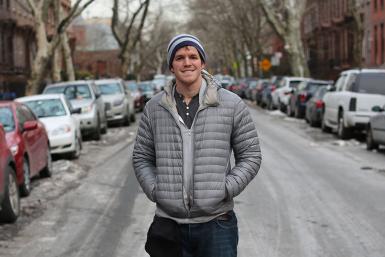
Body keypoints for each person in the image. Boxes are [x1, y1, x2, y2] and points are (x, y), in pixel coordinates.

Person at [133, 34, 262, 257]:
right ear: (171, 66)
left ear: (202, 63)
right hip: (168, 225)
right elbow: (141, 157)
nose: (187, 62)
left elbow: (251, 156)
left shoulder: (231, 104)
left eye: (193, 56)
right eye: (180, 57)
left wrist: (224, 189)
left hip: (217, 225)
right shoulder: (154, 108)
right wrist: (156, 190)